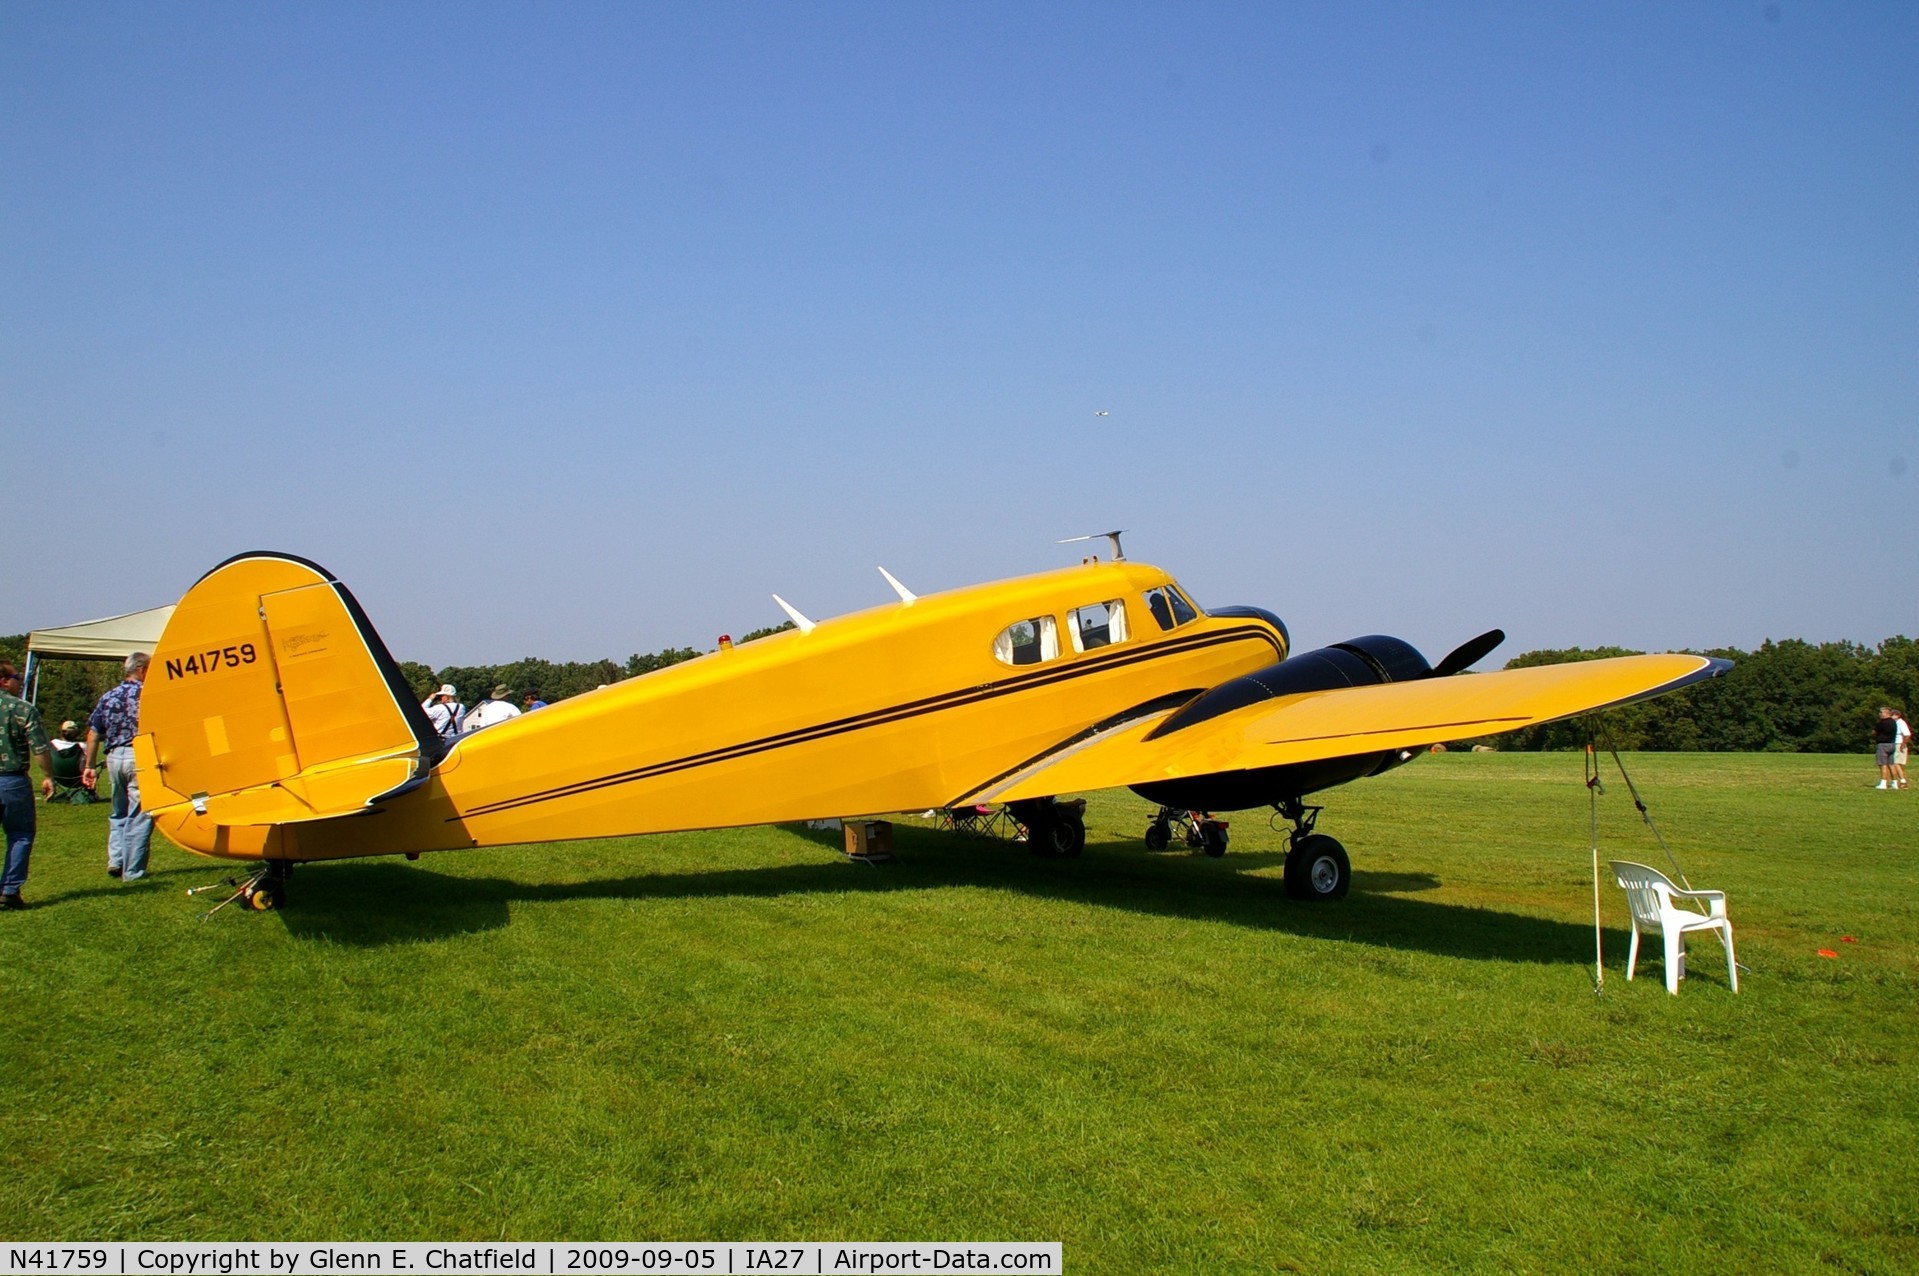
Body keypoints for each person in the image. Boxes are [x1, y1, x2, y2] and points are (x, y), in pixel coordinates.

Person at [82, 652, 154, 880]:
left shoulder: (108, 697)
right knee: (140, 813)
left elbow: (94, 733)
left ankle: (116, 859)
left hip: (114, 757)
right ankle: (132, 871)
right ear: (142, 670)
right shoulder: (148, 695)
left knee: (118, 811)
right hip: (139, 755)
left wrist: (90, 766)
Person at [0, 661, 55, 909]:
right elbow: (40, 749)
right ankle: (10, 890)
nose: (20, 682)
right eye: (17, 677)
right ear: (4, 681)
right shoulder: (22, 709)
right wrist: (49, 776)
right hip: (12, 780)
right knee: (20, 834)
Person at [45, 720, 97, 803]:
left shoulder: (51, 744)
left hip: (57, 778)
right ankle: (91, 793)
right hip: (77, 779)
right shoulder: (81, 746)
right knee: (92, 769)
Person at [1872, 706, 1898, 790]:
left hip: (1883, 745)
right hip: (1892, 744)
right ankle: (1895, 783)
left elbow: (1874, 732)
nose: (1879, 714)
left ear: (1886, 713)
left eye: (1881, 712)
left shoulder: (1882, 723)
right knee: (1891, 764)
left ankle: (1883, 783)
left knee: (1883, 764)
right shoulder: (1893, 722)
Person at [1893, 709, 1911, 791]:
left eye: (1892, 715)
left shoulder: (1901, 723)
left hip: (1899, 744)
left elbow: (1907, 734)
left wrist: (1903, 744)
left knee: (1896, 763)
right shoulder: (1896, 723)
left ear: (1897, 715)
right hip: (1896, 744)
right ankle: (1898, 781)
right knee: (1896, 763)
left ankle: (1903, 781)